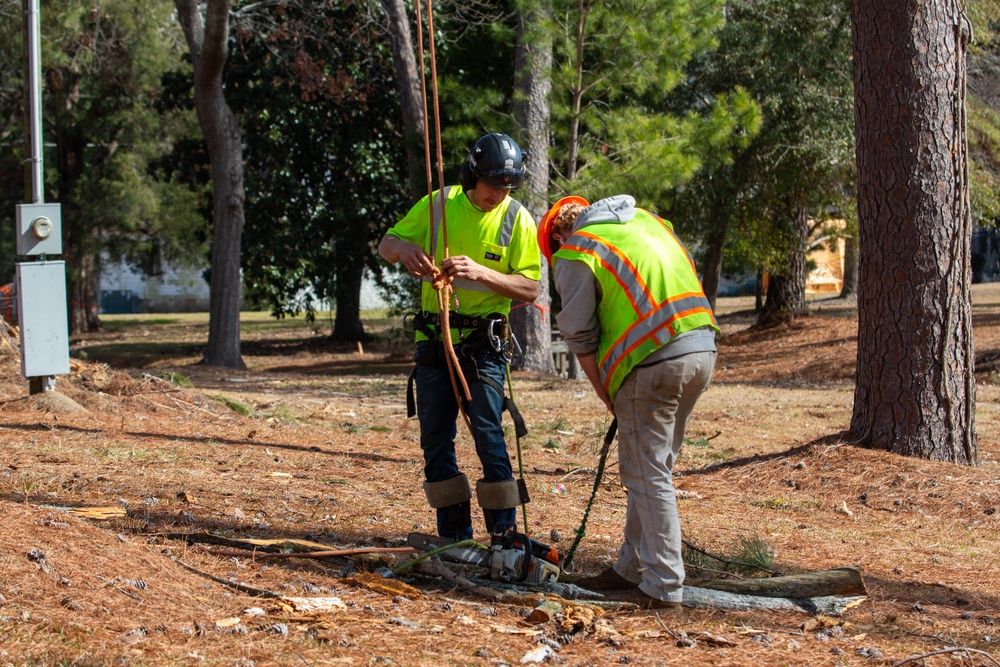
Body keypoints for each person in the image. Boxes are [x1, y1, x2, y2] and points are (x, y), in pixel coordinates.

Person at [537, 194, 719, 609]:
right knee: (653, 466)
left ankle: (664, 584)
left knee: (646, 473)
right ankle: (631, 566)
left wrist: (609, 396)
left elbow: (581, 340)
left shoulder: (577, 250)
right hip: (701, 347)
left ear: (559, 236)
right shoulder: (649, 223)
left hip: (653, 358)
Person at [378, 133, 541, 541]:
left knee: (489, 436)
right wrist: (405, 251)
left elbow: (530, 288)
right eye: (493, 184)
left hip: (484, 346)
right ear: (473, 174)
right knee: (435, 439)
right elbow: (387, 244)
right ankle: (453, 537)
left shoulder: (516, 218)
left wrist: (482, 273)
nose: (500, 193)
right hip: (435, 341)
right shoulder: (440, 204)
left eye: (509, 185)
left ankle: (504, 537)